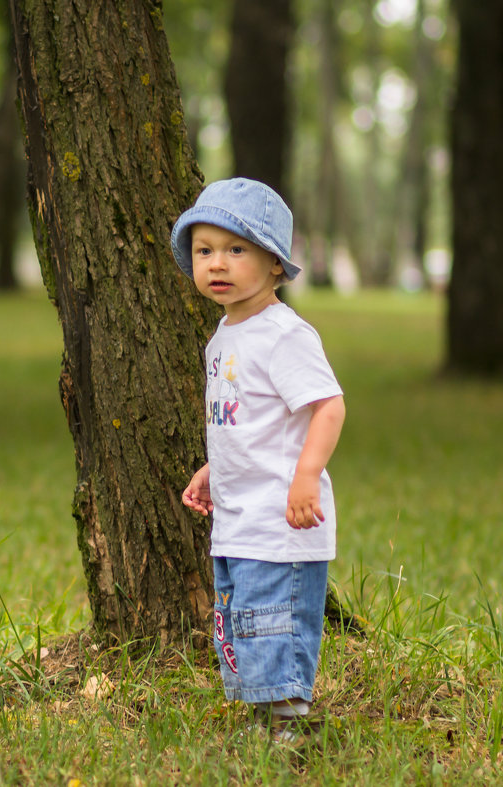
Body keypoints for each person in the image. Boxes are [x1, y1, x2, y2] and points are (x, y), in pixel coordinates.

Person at [169, 177, 346, 743]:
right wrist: (213, 470)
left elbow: (329, 407)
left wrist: (306, 477)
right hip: (239, 520)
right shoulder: (223, 336)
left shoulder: (283, 334)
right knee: (243, 623)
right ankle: (266, 719)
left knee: (275, 622)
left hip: (284, 520)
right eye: (204, 250)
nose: (217, 263)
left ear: (274, 264)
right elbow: (244, 422)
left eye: (236, 249)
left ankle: (291, 726)